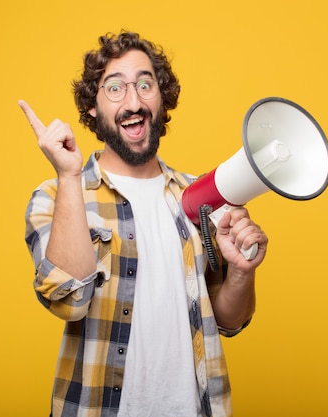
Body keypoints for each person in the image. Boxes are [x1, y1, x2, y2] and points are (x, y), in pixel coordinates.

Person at [20, 30, 268, 417]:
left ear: (161, 98)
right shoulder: (56, 197)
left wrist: (240, 272)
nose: (133, 101)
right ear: (92, 107)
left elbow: (228, 321)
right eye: (115, 88)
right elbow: (69, 301)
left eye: (145, 84)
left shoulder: (200, 198)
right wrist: (69, 176)